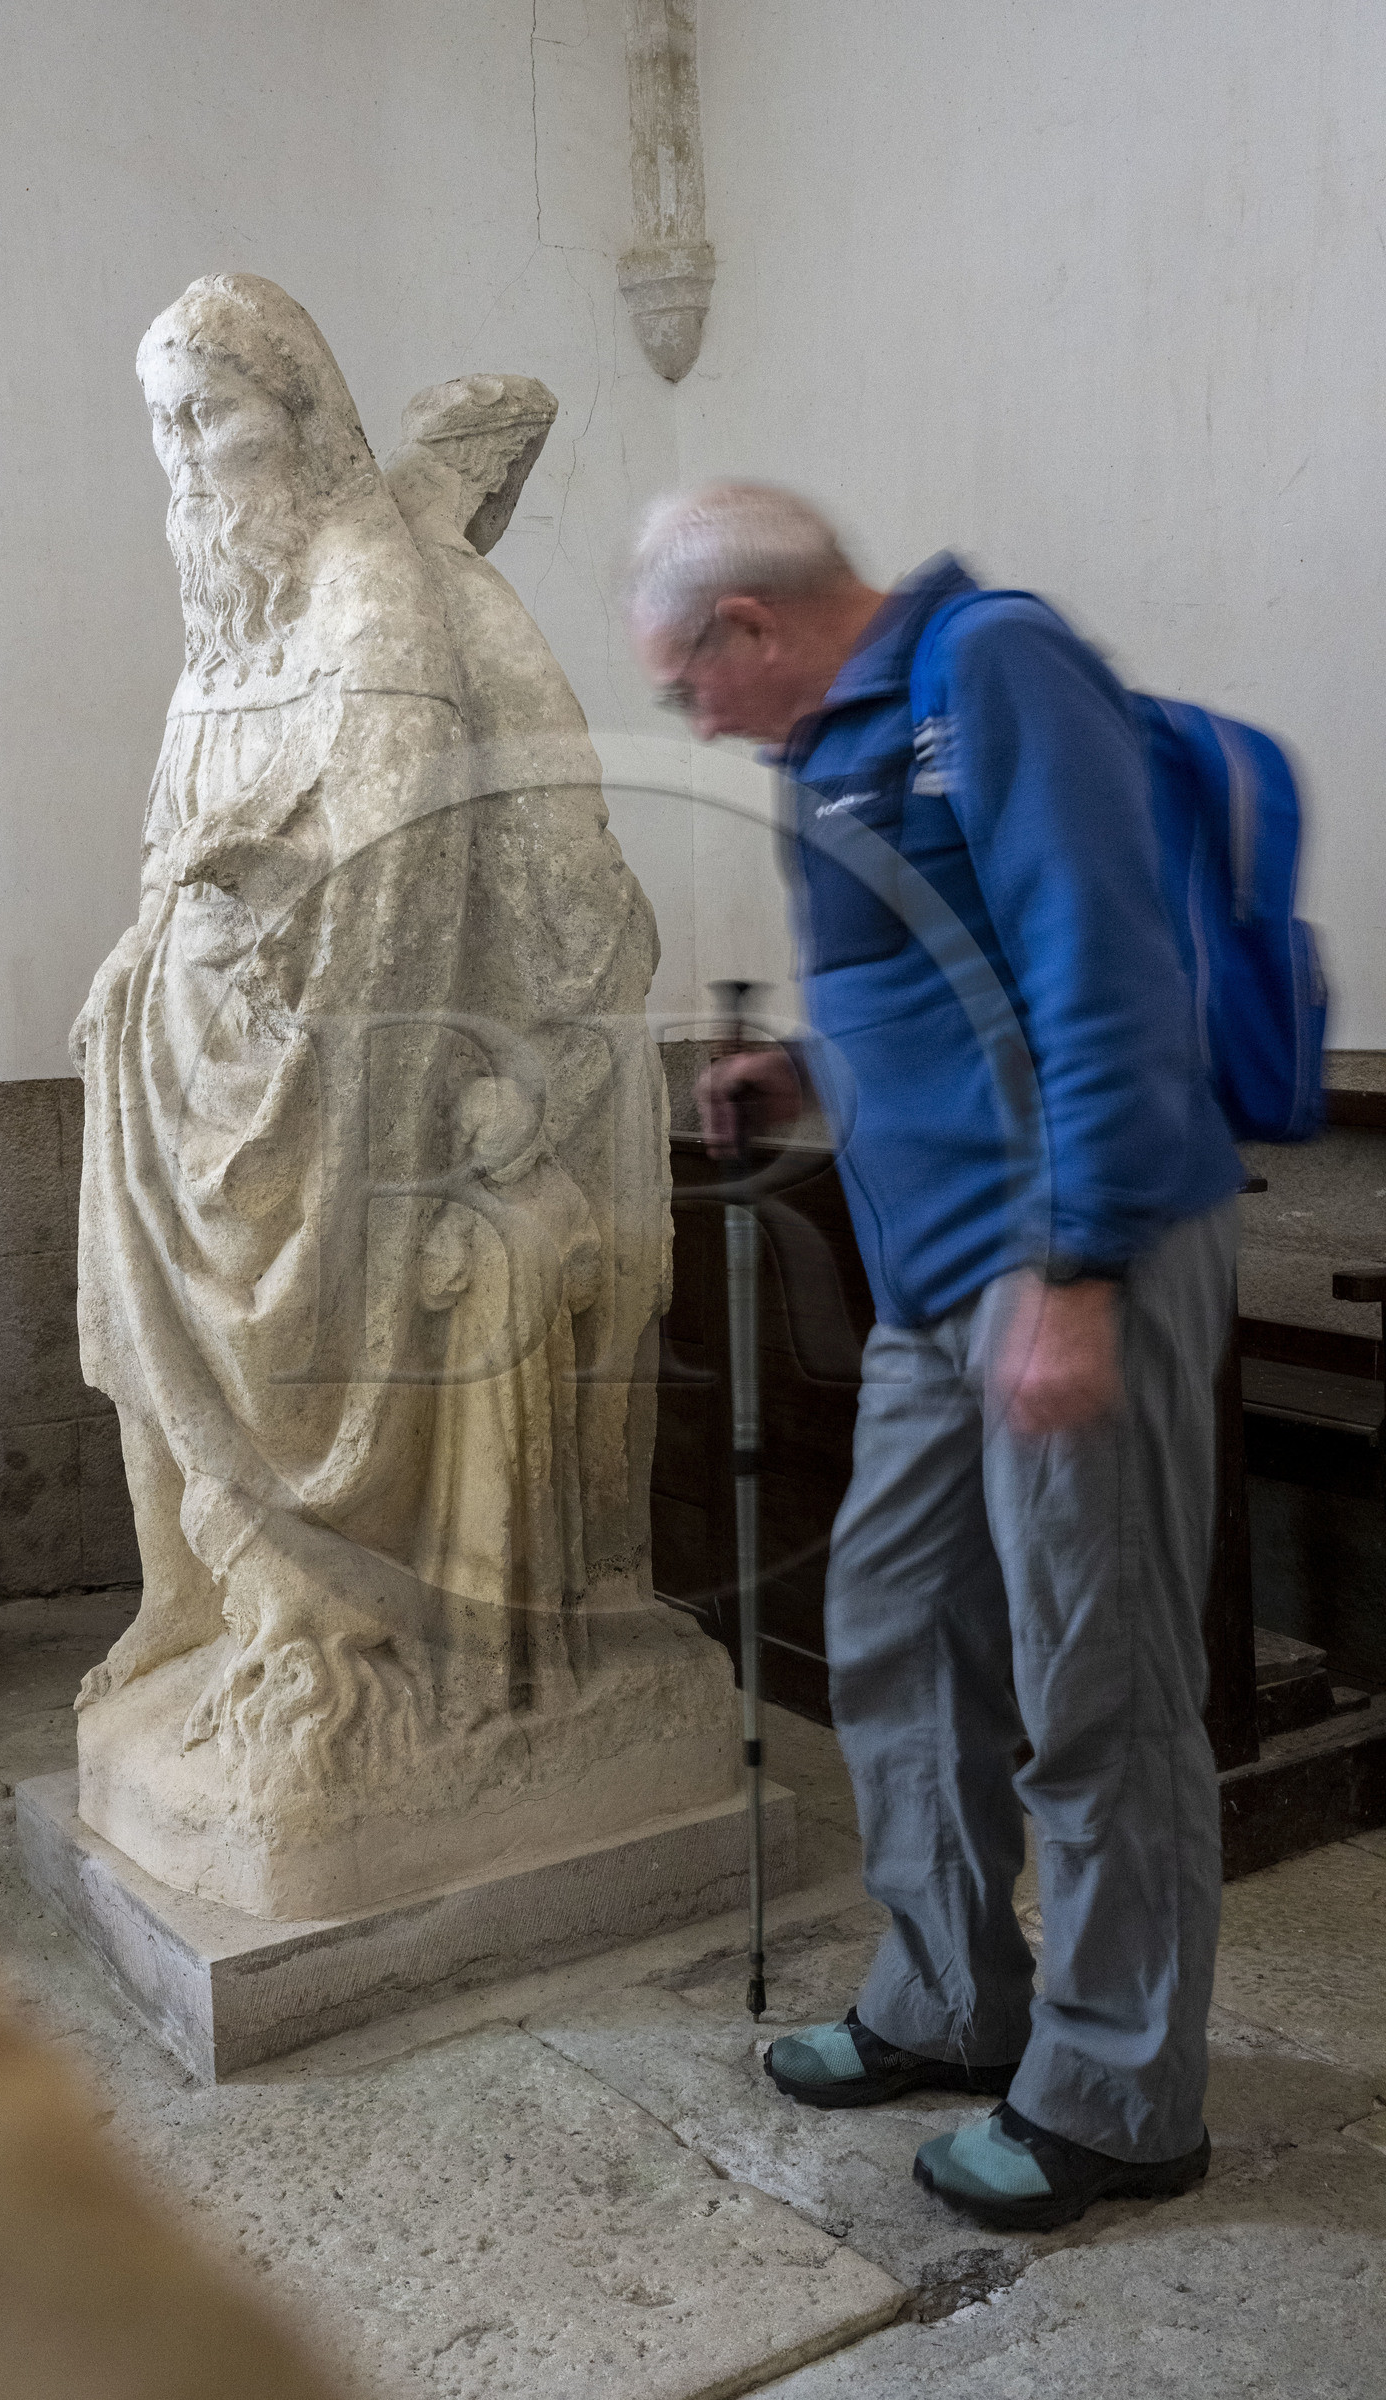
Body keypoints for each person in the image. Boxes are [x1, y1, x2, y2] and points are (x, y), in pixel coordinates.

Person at [627, 484, 1245, 2234]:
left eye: (685, 684)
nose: (693, 719)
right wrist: (811, 1081)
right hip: (933, 1284)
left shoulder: (999, 669)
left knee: (1093, 1677)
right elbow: (939, 991)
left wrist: (1079, 1267)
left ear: (750, 628)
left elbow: (1104, 973)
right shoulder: (832, 750)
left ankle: (1121, 2093)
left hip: (1069, 1254)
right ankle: (953, 1994)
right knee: (892, 1622)